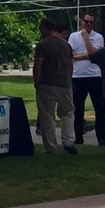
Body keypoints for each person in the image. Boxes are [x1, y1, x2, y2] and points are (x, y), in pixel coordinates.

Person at [31, 17, 76, 156]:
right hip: (65, 84)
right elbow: (70, 65)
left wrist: (37, 82)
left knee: (47, 116)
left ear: (45, 28)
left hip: (47, 83)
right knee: (68, 113)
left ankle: (51, 147)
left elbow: (38, 65)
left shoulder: (42, 45)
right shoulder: (66, 45)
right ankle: (69, 142)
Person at [70, 13, 105, 147]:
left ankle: (102, 138)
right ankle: (78, 138)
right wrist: (86, 55)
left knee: (100, 108)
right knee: (78, 109)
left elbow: (94, 54)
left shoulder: (98, 37)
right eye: (86, 22)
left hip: (94, 75)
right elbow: (71, 55)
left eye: (91, 23)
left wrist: (86, 38)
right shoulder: (73, 36)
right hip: (78, 76)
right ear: (81, 22)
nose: (88, 25)